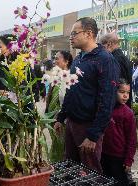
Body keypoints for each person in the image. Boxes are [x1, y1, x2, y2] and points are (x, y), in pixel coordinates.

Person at [54, 17, 120, 172]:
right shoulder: (78, 59)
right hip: (72, 123)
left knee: (90, 173)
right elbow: (71, 90)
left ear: (89, 33)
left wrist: (93, 135)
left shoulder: (105, 60)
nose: (71, 37)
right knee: (70, 167)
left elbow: (108, 100)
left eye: (74, 33)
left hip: (88, 126)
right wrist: (61, 117)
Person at [101, 79, 137, 186]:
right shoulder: (106, 108)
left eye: (128, 93)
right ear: (113, 91)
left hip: (119, 157)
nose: (126, 96)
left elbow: (132, 139)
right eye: (122, 92)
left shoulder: (128, 113)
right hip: (104, 153)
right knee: (104, 183)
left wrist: (128, 160)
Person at [99, 32, 132, 107]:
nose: (101, 51)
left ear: (109, 44)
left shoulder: (113, 59)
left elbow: (117, 85)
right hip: (124, 104)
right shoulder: (123, 57)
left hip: (117, 106)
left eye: (101, 47)